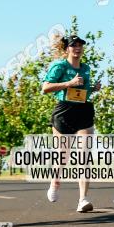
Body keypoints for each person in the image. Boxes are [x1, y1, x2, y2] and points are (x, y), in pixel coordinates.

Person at [41, 34, 100, 212]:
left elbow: (83, 91)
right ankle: (55, 182)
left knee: (84, 156)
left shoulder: (86, 68)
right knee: (62, 156)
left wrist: (93, 89)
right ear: (67, 48)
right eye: (74, 45)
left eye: (80, 45)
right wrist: (69, 83)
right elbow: (45, 88)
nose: (78, 48)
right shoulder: (59, 66)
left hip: (83, 110)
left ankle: (83, 199)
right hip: (64, 112)